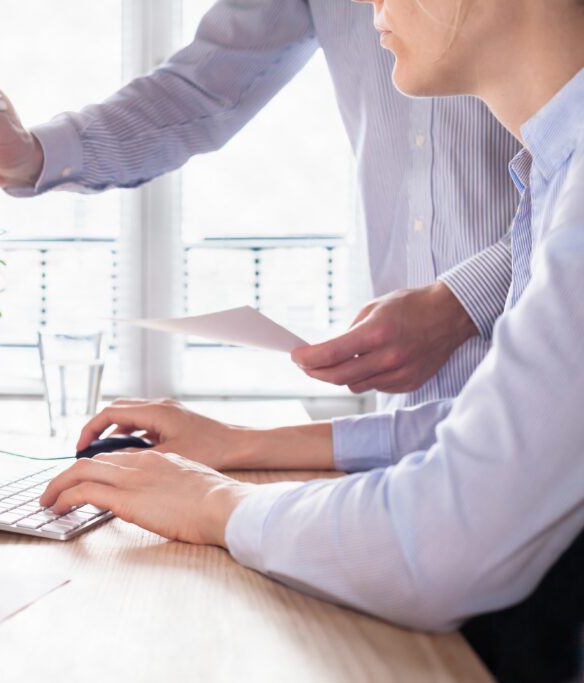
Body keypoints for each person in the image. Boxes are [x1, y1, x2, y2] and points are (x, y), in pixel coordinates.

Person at [37, 0, 584, 679]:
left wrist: (215, 503)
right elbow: (507, 432)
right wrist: (246, 446)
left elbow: (445, 537)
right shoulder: (554, 175)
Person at [0, 0, 520, 411]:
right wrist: (29, 154)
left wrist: (466, 300)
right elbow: (203, 90)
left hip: (547, 381)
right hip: (409, 413)